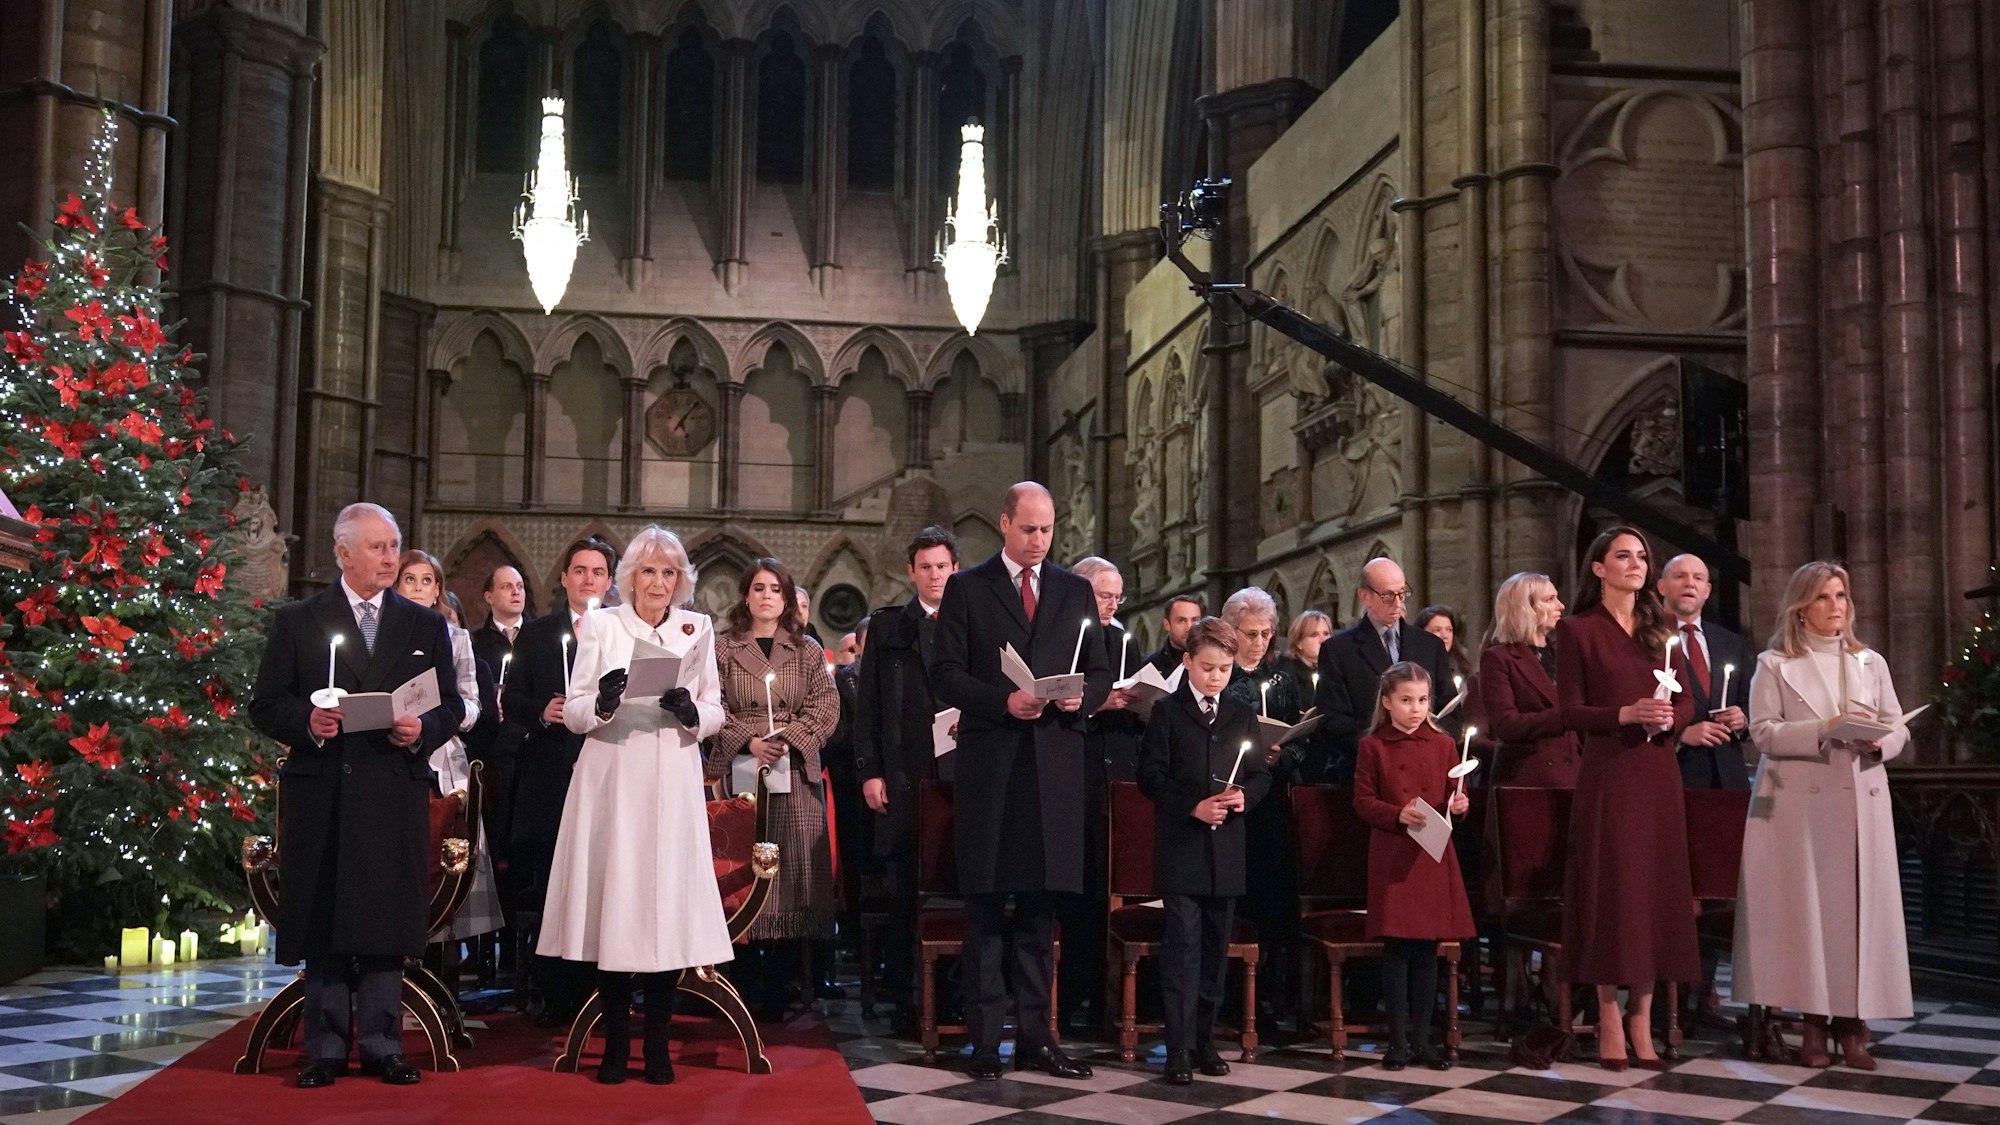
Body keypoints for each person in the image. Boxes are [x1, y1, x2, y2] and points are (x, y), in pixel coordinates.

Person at [249, 503, 465, 1089]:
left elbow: (452, 705)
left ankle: (382, 1045)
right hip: (324, 791)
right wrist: (307, 723)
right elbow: (266, 703)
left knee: (382, 920)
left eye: (394, 546)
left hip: (391, 788)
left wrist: (423, 730)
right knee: (324, 916)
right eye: (377, 547)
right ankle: (322, 1049)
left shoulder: (423, 625)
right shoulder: (300, 619)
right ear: (343, 553)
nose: (391, 558)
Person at [930, 482, 1112, 1081]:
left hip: (1054, 769)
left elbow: (1099, 668)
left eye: (1048, 530)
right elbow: (946, 675)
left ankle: (1037, 1037)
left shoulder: (1073, 589)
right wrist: (1002, 701)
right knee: (985, 910)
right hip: (993, 769)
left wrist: (1076, 701)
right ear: (1004, 524)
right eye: (1029, 529)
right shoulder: (967, 587)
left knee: (1039, 914)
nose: (1039, 541)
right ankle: (985, 1043)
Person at [540, 526, 733, 1086]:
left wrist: (690, 711)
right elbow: (573, 709)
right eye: (648, 572)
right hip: (613, 775)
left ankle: (658, 1048)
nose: (658, 583)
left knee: (664, 906)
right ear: (629, 578)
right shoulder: (601, 624)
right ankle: (617, 1046)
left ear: (681, 581)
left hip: (671, 773)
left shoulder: (697, 628)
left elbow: (716, 707)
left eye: (669, 573)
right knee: (617, 904)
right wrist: (601, 701)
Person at [1732, 561, 1911, 1070]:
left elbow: (1897, 724)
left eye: (1842, 596)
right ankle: (1812, 1021)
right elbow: (1763, 732)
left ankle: (1853, 1026)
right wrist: (1823, 728)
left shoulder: (1869, 661)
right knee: (1808, 912)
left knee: (1858, 910)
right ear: (1801, 607)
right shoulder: (1774, 663)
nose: (1837, 607)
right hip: (1801, 805)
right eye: (1825, 597)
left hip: (1860, 795)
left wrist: (1882, 742)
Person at [1554, 526, 1698, 1071]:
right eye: (1623, 556)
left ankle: (1645, 1022)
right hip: (1610, 774)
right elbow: (1569, 710)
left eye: (1642, 556)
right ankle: (1609, 1017)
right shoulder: (1577, 630)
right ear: (1598, 568)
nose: (1636, 565)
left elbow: (1685, 703)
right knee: (1614, 893)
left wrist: (1670, 716)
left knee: (1654, 895)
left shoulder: (1663, 630)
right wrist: (1624, 714)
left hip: (1657, 772)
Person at [1138, 617, 1270, 1084]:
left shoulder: (1240, 714)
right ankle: (1177, 1049)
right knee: (1183, 951)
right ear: (1188, 662)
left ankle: (1205, 1041)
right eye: (1208, 667)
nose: (1216, 677)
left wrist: (1243, 797)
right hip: (1183, 849)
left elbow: (1259, 774)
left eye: (1225, 668)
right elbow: (1150, 777)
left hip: (1227, 852)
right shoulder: (1167, 712)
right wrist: (1192, 806)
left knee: (1216, 952)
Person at [706, 559, 841, 1018]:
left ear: (786, 599)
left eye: (776, 589)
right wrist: (749, 740)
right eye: (758, 588)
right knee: (742, 871)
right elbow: (712, 704)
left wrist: (787, 740)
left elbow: (826, 704)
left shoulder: (805, 651)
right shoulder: (722, 649)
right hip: (740, 773)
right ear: (745, 595)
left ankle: (781, 985)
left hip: (793, 775)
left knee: (789, 878)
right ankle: (740, 979)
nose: (767, 596)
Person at [502, 536, 615, 1024]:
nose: (588, 579)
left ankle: (604, 990)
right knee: (555, 882)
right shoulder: (538, 632)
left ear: (610, 582)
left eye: (597, 572)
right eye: (580, 571)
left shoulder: (620, 631)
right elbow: (513, 698)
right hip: (550, 775)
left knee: (602, 882)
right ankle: (555, 992)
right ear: (564, 578)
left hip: (606, 769)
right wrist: (542, 712)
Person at [857, 526, 959, 1025]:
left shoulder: (971, 622)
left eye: (942, 566)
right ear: (911, 572)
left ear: (954, 569)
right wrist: (870, 771)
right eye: (926, 567)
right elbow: (871, 706)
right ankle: (903, 997)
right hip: (903, 771)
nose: (934, 575)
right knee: (901, 885)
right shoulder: (889, 626)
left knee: (956, 882)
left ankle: (952, 996)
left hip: (958, 774)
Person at [1352, 662, 1473, 1070]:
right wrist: (1396, 814)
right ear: (1387, 703)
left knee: (1427, 952)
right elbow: (1363, 801)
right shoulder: (1373, 746)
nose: (1416, 708)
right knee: (1397, 952)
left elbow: (1455, 796)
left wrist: (1460, 804)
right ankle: (1397, 1042)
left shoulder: (1444, 745)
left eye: (1422, 700)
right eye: (1406, 701)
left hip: (1431, 856)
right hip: (1392, 856)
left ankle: (1423, 1041)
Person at [394, 553, 503, 948]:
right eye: (410, 580)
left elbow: (473, 704)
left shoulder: (457, 639)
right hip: (392, 750)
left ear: (439, 589)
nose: (420, 588)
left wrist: (438, 717)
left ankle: (443, 967)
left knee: (446, 863)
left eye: (427, 581)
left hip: (443, 758)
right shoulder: (384, 632)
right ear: (396, 584)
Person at [1218, 587, 1305, 1029]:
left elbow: (1300, 741)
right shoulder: (1222, 678)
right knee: (1239, 900)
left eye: (1267, 634)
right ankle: (1232, 998)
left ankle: (1276, 998)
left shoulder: (1285, 680)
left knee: (1276, 902)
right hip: (1235, 805)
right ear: (1231, 632)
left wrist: (1282, 755)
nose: (1259, 643)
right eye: (1250, 633)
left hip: (1273, 805)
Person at [1064, 555, 1138, 1032]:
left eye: (1117, 596)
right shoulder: (1066, 636)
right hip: (1079, 776)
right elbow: (1058, 699)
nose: (1112, 605)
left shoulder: (1122, 639)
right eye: (1103, 595)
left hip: (1121, 777)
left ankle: (1113, 1005)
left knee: (1118, 892)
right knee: (1080, 895)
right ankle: (1072, 1000)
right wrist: (1099, 701)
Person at [1315, 557, 1450, 785]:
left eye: (1402, 593)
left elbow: (1451, 709)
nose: (1398, 603)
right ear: (1364, 596)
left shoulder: (1430, 645)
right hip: (1368, 773)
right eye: (1388, 596)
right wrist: (1386, 747)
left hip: (1427, 770)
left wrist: (1429, 745)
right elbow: (1332, 719)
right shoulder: (1338, 650)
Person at [468, 565, 529, 936]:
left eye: (520, 586)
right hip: (493, 754)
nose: (515, 592)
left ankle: (516, 947)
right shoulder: (477, 643)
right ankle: (486, 941)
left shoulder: (536, 636)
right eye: (506, 586)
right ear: (489, 596)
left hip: (529, 750)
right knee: (493, 847)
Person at [1656, 555, 1752, 790]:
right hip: (1674, 774)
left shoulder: (1731, 643)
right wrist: (1680, 735)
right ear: (1661, 586)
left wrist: (1743, 719)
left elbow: (1750, 702)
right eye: (1680, 576)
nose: (1690, 583)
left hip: (1729, 777)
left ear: (1707, 590)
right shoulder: (1646, 640)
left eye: (1698, 578)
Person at [1477, 573, 1579, 787]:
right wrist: (1566, 717)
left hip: (1575, 773)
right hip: (1529, 776)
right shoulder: (1498, 658)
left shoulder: (1565, 653)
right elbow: (1507, 725)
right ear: (1526, 607)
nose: (1561, 605)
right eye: (1550, 599)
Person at [1145, 595, 1206, 675]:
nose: (1189, 627)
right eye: (1181, 621)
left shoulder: (1215, 660)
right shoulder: (1150, 668)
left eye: (1195, 620)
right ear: (1167, 624)